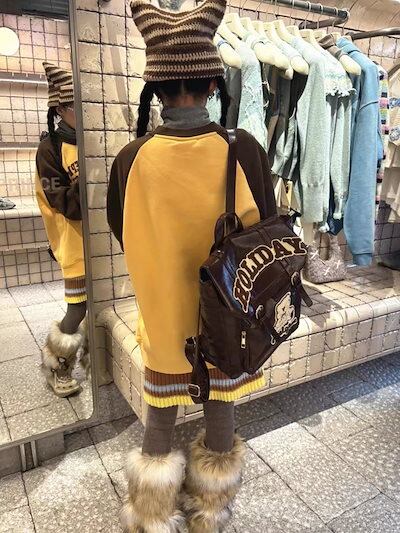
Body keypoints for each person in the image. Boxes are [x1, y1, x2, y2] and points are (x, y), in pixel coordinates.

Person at [107, 0, 276, 530]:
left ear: (156, 90)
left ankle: (150, 515)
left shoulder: (131, 159)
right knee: (221, 405)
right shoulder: (242, 150)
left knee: (160, 409)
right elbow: (268, 231)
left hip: (163, 314)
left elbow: (121, 230)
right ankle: (210, 511)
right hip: (227, 314)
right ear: (213, 85)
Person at [35, 62, 87, 398]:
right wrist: (91, 177)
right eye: (74, 107)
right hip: (73, 242)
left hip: (104, 240)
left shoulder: (93, 139)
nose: (81, 113)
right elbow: (64, 204)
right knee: (78, 307)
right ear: (59, 110)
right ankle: (58, 366)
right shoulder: (50, 149)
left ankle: (96, 363)